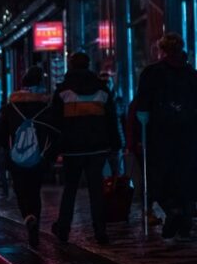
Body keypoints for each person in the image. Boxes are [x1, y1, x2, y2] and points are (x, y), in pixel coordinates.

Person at [51, 52, 121, 245]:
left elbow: (55, 123)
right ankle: (100, 231)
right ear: (89, 65)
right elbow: (111, 120)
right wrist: (115, 145)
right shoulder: (102, 89)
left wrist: (56, 148)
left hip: (72, 150)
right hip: (97, 148)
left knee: (70, 189)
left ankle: (63, 229)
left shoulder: (63, 91)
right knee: (96, 190)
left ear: (71, 66)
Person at [135, 33, 197, 239]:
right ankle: (185, 217)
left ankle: (173, 210)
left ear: (162, 50)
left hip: (160, 133)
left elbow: (142, 104)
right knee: (186, 174)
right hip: (188, 133)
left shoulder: (152, 73)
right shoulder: (191, 74)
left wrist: (141, 124)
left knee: (161, 174)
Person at [0, 66, 59, 247]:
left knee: (21, 191)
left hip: (16, 158)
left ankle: (28, 217)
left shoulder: (12, 107)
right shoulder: (45, 106)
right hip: (39, 158)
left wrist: (4, 151)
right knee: (35, 191)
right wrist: (49, 156)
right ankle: (34, 220)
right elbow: (55, 133)